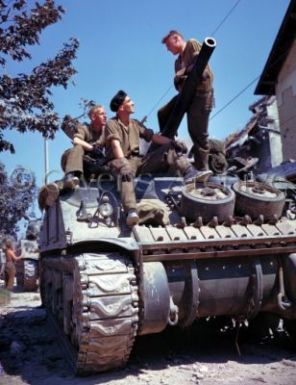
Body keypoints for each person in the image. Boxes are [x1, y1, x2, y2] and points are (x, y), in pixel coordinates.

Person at [105, 90, 207, 227]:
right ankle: (131, 211)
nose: (133, 103)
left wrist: (171, 142)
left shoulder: (135, 124)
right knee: (125, 170)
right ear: (122, 107)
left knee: (169, 147)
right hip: (117, 161)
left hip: (137, 161)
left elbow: (154, 138)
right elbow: (115, 145)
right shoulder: (112, 124)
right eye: (129, 101)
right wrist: (123, 163)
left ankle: (190, 173)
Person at [158, 30, 214, 173]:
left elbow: (200, 67)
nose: (168, 50)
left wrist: (182, 73)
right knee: (163, 112)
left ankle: (203, 168)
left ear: (176, 39)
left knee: (197, 132)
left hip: (201, 95)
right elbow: (177, 84)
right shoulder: (177, 62)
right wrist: (182, 75)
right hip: (186, 95)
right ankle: (170, 144)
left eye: (169, 46)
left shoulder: (192, 44)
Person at [61, 104, 107, 188]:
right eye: (102, 114)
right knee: (78, 147)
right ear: (93, 117)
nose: (105, 116)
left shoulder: (106, 132)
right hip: (78, 161)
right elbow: (76, 140)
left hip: (93, 165)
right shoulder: (85, 128)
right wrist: (92, 148)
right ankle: (70, 176)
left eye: (105, 114)